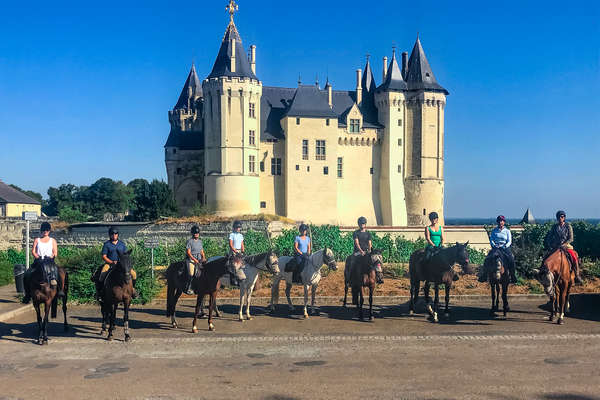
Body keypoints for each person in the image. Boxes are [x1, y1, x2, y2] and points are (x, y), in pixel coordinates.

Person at [22, 222, 59, 304]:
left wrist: (51, 257)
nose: (45, 231)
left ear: (49, 231)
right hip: (39, 260)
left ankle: (60, 291)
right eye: (43, 230)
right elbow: (33, 251)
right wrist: (38, 257)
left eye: (47, 230)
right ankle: (27, 295)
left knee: (57, 271)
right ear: (41, 231)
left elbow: (55, 252)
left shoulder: (53, 241)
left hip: (49, 261)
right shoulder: (37, 240)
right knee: (27, 274)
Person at [96, 226, 137, 299]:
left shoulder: (122, 244)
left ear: (118, 235)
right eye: (112, 234)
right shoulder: (107, 244)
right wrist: (111, 262)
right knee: (102, 275)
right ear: (110, 235)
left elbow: (125, 255)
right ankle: (100, 292)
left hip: (121, 265)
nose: (114, 235)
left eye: (116, 234)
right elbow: (104, 256)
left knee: (134, 274)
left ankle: (132, 289)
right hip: (109, 264)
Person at [544, 210, 582, 284]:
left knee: (574, 256)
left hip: (566, 245)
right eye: (559, 217)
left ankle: (577, 275)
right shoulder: (554, 227)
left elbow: (571, 238)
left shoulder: (568, 226)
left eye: (562, 217)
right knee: (547, 256)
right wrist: (551, 244)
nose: (560, 218)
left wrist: (565, 244)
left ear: (564, 217)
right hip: (556, 246)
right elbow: (549, 237)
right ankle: (542, 272)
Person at [479, 215, 517, 283]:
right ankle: (484, 275)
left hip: (504, 248)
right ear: (497, 222)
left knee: (511, 259)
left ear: (504, 222)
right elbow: (491, 239)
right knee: (487, 259)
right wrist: (494, 245)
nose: (500, 222)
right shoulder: (494, 231)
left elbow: (509, 241)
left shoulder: (507, 231)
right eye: (499, 221)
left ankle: (513, 276)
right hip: (496, 248)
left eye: (502, 221)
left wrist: (505, 246)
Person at [185, 225, 206, 295]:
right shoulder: (189, 241)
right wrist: (194, 260)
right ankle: (189, 288)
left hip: (199, 259)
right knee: (191, 273)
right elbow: (188, 252)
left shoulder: (200, 241)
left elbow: (202, 251)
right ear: (192, 233)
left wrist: (204, 257)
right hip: (191, 259)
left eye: (197, 233)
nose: (196, 234)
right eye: (195, 233)